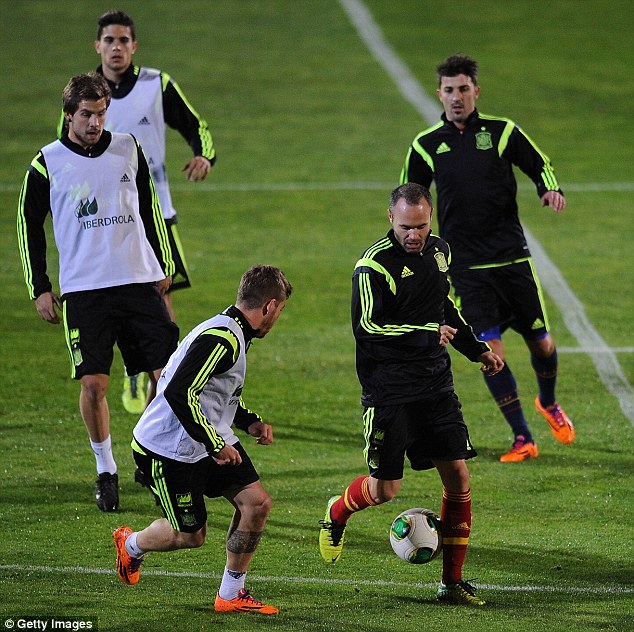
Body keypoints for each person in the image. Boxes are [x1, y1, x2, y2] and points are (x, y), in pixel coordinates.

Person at [318, 184, 504, 606]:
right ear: (390, 218)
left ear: (430, 217)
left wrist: (476, 350)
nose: (414, 235)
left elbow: (444, 308)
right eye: (405, 227)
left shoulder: (440, 252)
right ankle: (337, 512)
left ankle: (451, 583)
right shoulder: (372, 267)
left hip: (436, 385)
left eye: (421, 226)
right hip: (390, 391)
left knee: (458, 477)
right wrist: (425, 333)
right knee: (386, 490)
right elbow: (368, 329)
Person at [400, 54, 575, 462]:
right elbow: (408, 197)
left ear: (476, 91)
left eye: (463, 89)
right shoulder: (426, 145)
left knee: (543, 344)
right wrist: (411, 246)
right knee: (492, 353)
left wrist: (550, 189)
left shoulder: (501, 131)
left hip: (512, 258)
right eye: (449, 90)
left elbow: (540, 164)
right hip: (466, 267)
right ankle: (522, 437)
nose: (456, 97)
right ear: (439, 94)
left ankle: (548, 402)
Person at [17, 73, 179, 512]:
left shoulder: (128, 148)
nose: (95, 123)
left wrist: (164, 264)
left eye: (101, 113)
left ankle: (151, 453)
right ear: (69, 115)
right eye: (86, 114)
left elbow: (150, 208)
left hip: (137, 280)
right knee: (94, 384)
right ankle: (106, 469)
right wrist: (40, 287)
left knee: (168, 377)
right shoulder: (47, 163)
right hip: (85, 290)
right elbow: (28, 225)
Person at [113, 265, 292, 616]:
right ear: (269, 306)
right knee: (190, 536)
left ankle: (231, 594)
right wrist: (216, 444)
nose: (277, 317)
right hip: (168, 450)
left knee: (257, 504)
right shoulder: (222, 339)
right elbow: (180, 391)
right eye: (280, 310)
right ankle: (130, 544)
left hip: (203, 438)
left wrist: (249, 422)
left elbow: (214, 390)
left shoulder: (234, 332)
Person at [69, 9, 217, 413]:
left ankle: (156, 404)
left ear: (134, 46)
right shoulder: (83, 97)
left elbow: (195, 125)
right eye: (109, 40)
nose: (116, 47)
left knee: (161, 303)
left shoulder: (156, 84)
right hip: (105, 220)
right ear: (97, 46)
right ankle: (134, 371)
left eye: (123, 40)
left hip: (155, 215)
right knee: (113, 300)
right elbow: (66, 157)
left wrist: (204, 155)